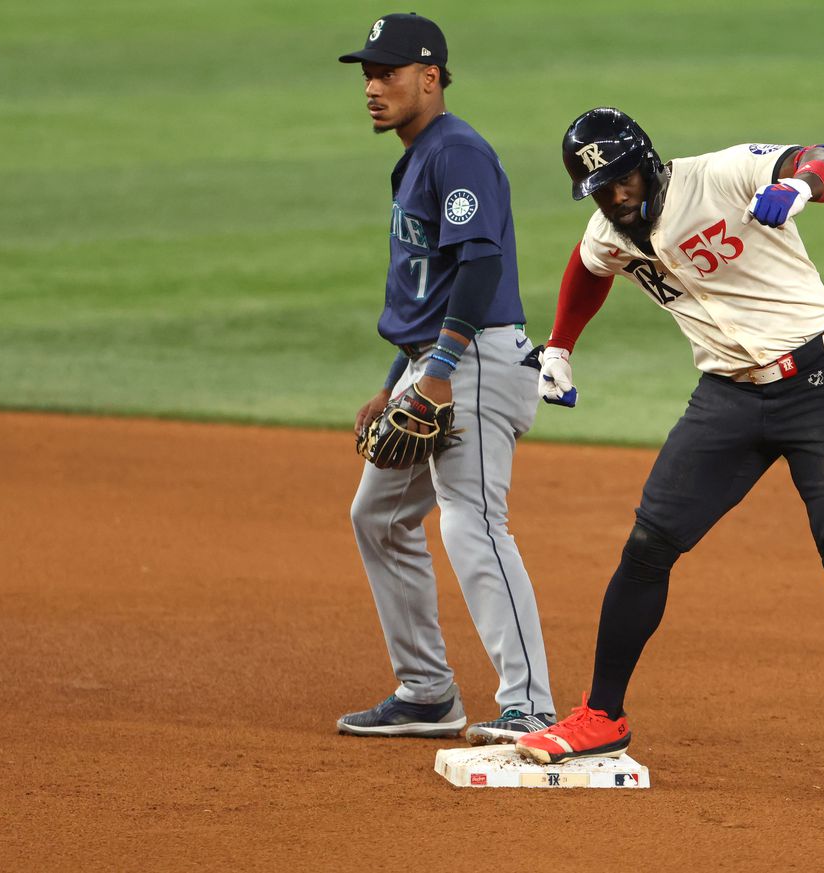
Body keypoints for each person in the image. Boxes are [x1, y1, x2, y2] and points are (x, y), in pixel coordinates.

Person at [515, 108, 824, 809]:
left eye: (621, 180)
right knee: (647, 546)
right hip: (727, 398)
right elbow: (587, 267)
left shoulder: (720, 173)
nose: (615, 197)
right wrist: (559, 344)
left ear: (649, 161)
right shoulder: (611, 228)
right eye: (600, 189)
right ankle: (602, 715)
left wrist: (805, 187)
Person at [334, 13, 555, 745]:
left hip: (477, 361)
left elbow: (481, 261)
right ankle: (427, 691)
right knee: (379, 515)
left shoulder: (457, 151)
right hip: (436, 360)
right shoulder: (422, 154)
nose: (373, 86)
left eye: (389, 73)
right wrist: (397, 376)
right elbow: (431, 286)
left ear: (431, 77)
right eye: (367, 73)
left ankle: (532, 706)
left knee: (472, 521)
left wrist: (439, 371)